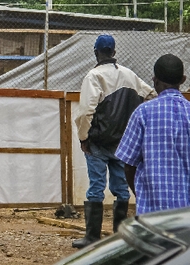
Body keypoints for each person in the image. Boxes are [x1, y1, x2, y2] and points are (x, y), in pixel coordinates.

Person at [72, 34, 156, 249]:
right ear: (115, 52)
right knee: (121, 188)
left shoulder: (94, 76)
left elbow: (86, 112)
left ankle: (92, 237)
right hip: (122, 143)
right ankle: (120, 237)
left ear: (96, 52)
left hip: (98, 142)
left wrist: (84, 138)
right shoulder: (129, 75)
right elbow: (151, 94)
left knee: (96, 187)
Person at [116, 54, 190, 215]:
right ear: (183, 79)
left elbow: (129, 166)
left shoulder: (143, 113)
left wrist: (141, 195)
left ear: (154, 80)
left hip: (152, 214)